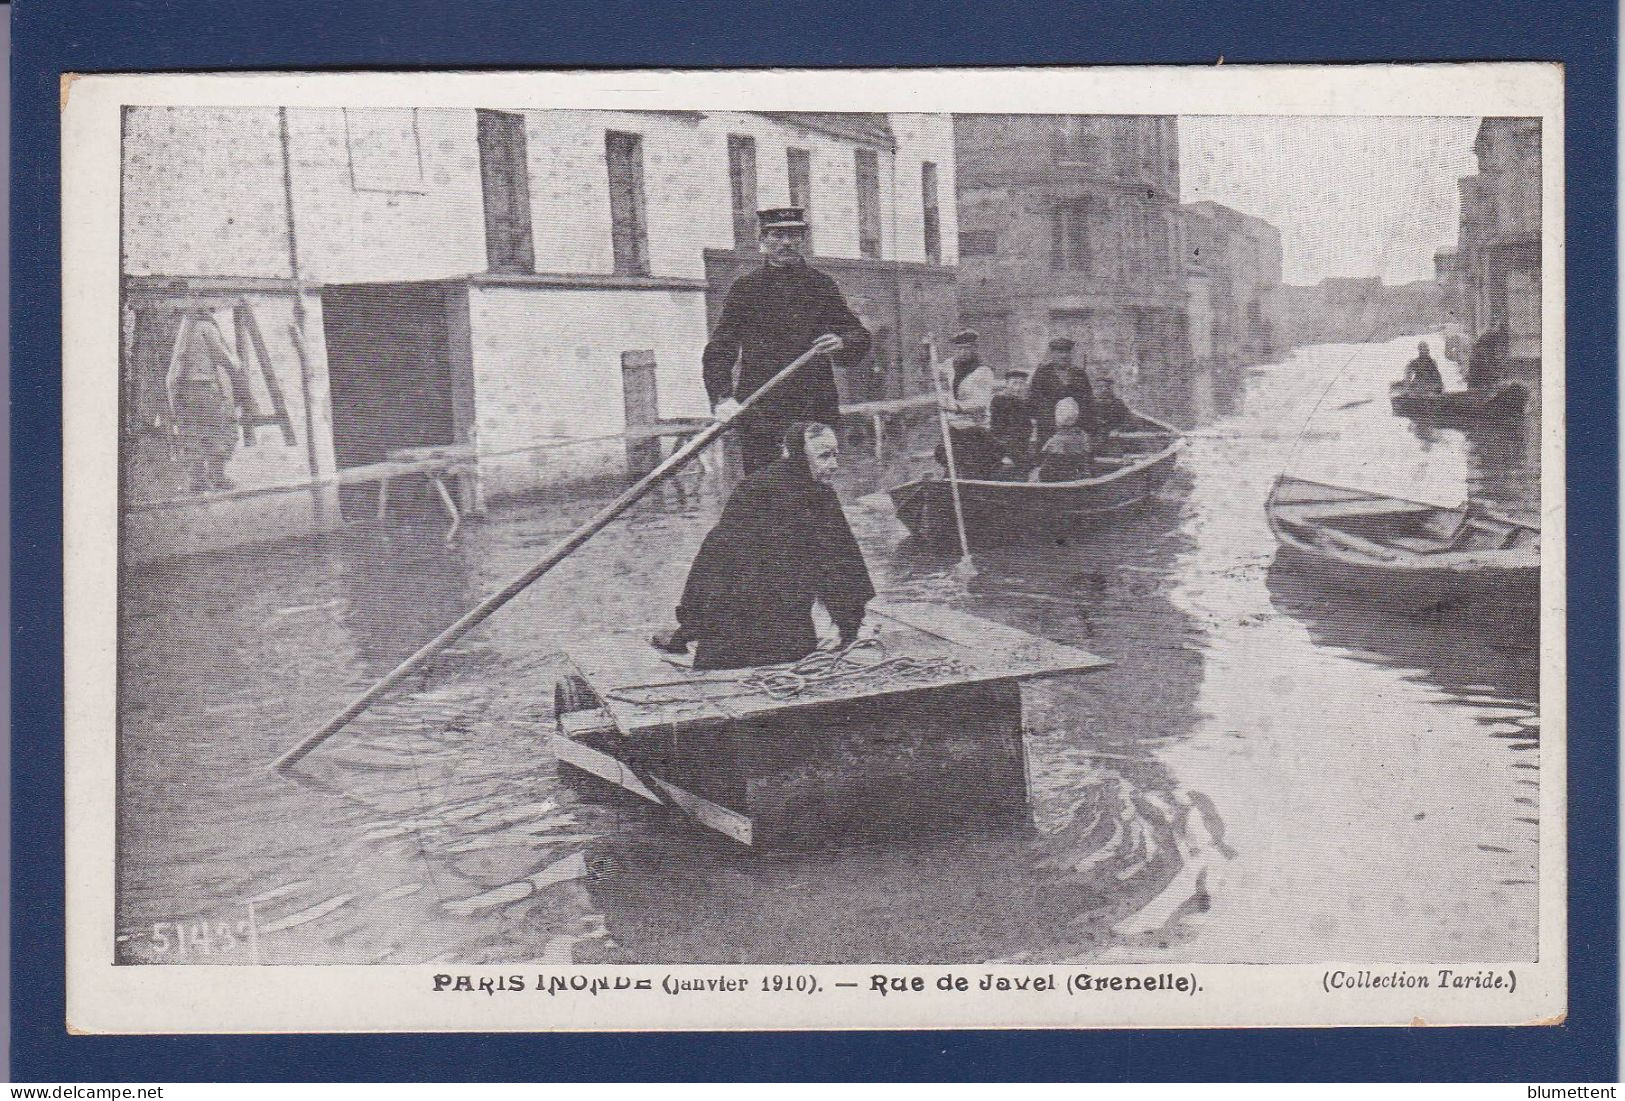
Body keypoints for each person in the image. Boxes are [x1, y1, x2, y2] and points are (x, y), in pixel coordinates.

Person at [653, 421, 875, 672]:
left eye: (836, 455)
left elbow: (841, 559)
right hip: (741, 616)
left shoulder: (821, 494)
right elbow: (716, 559)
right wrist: (695, 624)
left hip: (788, 618)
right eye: (824, 456)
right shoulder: (756, 490)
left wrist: (844, 625)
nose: (834, 465)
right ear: (799, 457)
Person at [702, 207, 872, 474]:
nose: (786, 243)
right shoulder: (746, 288)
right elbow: (720, 348)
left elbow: (857, 335)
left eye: (794, 235)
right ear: (763, 239)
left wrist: (843, 342)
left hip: (813, 408)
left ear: (803, 240)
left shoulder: (821, 286)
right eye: (777, 235)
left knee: (813, 487)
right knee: (766, 488)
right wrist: (722, 398)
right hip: (762, 409)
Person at [165, 308, 248, 492]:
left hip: (183, 388)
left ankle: (197, 480)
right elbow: (222, 357)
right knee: (217, 428)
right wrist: (235, 363)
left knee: (192, 432)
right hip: (204, 386)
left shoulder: (182, 328)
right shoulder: (206, 327)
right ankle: (217, 477)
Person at [934, 329, 1004, 480]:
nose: (963, 352)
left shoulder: (983, 371)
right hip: (955, 427)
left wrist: (957, 407)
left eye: (968, 348)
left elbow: (981, 402)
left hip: (976, 428)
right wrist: (927, 352)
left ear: (975, 348)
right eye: (960, 348)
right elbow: (934, 371)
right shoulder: (951, 365)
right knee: (947, 459)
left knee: (972, 468)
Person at [1028, 336, 1095, 448]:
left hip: (1076, 427)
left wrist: (1082, 423)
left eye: (1067, 352)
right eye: (1060, 352)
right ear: (1052, 354)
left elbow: (1088, 400)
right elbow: (1034, 401)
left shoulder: (1079, 374)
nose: (1064, 356)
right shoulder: (1042, 373)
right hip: (1049, 427)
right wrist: (1052, 418)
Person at [988, 369, 1035, 474]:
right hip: (1005, 449)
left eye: (1021, 383)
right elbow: (998, 431)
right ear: (1007, 384)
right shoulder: (1000, 401)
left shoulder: (1024, 403)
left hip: (1020, 447)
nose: (1018, 388)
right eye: (1014, 383)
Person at [1034, 398, 1093, 483]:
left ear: (1057, 419)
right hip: (1078, 478)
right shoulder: (1084, 436)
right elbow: (1088, 460)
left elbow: (1044, 466)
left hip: (1056, 481)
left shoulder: (1054, 441)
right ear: (1076, 417)